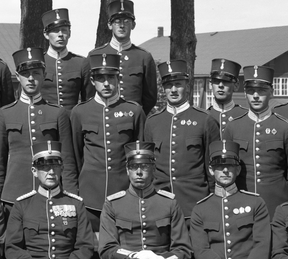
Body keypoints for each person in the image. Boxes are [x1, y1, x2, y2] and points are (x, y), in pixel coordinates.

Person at [68, 52, 146, 229]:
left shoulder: (133, 111)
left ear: (118, 78)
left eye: (111, 77)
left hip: (124, 193)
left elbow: (140, 157)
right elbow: (73, 156)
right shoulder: (80, 112)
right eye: (100, 78)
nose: (106, 83)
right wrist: (74, 193)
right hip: (89, 196)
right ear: (93, 81)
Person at [0, 47, 77, 205]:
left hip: (50, 195)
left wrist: (71, 198)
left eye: (36, 73)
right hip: (13, 197)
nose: (30, 78)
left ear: (44, 76)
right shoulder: (5, 114)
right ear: (18, 76)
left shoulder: (57, 113)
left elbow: (68, 161)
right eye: (25, 74)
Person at [145, 59, 220, 217]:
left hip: (194, 205)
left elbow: (213, 167)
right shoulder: (153, 122)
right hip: (160, 206)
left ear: (187, 85)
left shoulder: (205, 120)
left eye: (178, 84)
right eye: (168, 85)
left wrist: (214, 201)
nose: (173, 90)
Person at [224, 64, 288, 217]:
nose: (256, 96)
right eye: (251, 91)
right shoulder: (233, 127)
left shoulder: (285, 128)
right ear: (245, 93)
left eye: (262, 91)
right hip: (241, 204)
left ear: (271, 92)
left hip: (276, 204)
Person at [88, 0, 158, 115]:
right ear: (110, 25)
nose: (121, 26)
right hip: (103, 117)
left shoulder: (143, 57)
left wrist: (135, 115)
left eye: (126, 21)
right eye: (117, 22)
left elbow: (150, 97)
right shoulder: (94, 55)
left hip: (133, 119)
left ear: (133, 25)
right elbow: (89, 93)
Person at [41, 8, 90, 110]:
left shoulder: (81, 63)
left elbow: (88, 101)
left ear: (69, 33)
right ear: (46, 34)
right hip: (45, 122)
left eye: (64, 30)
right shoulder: (39, 62)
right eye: (55, 31)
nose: (60, 35)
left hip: (71, 122)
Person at [206, 58, 246, 134]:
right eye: (216, 81)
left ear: (236, 86)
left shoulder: (245, 116)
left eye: (226, 81)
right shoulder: (203, 117)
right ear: (211, 85)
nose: (220, 85)